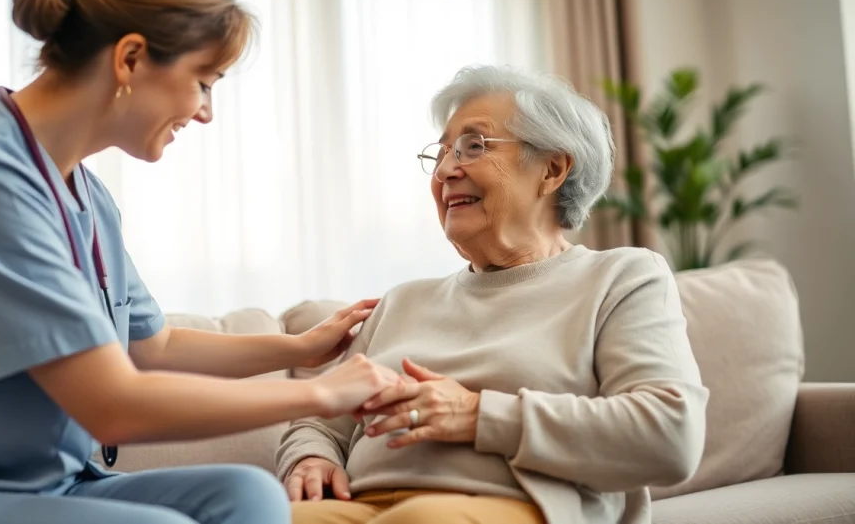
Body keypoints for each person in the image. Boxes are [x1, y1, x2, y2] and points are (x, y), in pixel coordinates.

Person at [0, 0, 399, 523]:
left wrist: (299, 350)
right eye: (204, 81)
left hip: (45, 484)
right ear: (129, 59)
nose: (206, 112)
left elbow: (152, 346)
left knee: (248, 496)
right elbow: (111, 406)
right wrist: (320, 393)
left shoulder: (85, 194)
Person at [276, 65, 710, 524]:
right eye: (441, 154)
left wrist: (477, 413)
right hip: (358, 506)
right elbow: (321, 420)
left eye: (472, 147)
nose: (445, 171)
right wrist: (310, 458)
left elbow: (670, 436)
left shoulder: (620, 279)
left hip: (516, 508)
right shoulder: (402, 302)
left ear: (553, 168)